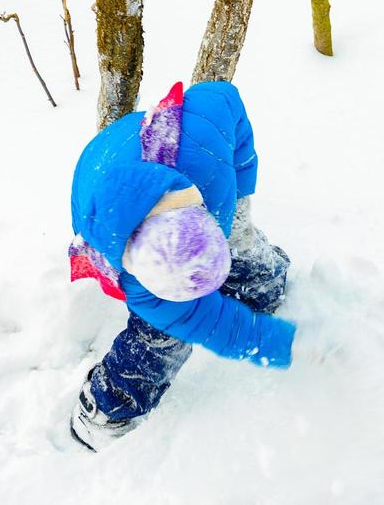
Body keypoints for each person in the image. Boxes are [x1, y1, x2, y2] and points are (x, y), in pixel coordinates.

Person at [66, 80, 296, 450]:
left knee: (242, 244)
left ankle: (254, 280)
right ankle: (111, 406)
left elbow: (223, 96)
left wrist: (242, 184)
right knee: (160, 334)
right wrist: (283, 345)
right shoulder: (139, 281)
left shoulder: (207, 153)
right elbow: (211, 324)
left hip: (164, 161)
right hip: (98, 180)